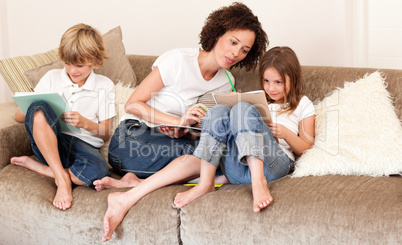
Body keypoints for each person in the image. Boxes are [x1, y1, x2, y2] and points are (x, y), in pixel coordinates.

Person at [97, 2, 268, 242]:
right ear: (217, 33)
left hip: (168, 143)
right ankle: (124, 198)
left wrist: (185, 131)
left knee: (221, 153)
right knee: (213, 157)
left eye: (245, 50)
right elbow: (133, 104)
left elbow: (202, 131)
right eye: (233, 42)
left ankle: (134, 181)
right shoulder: (178, 60)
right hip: (131, 140)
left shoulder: (226, 81)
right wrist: (178, 121)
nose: (236, 53)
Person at [174, 46, 315, 212]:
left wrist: (286, 134)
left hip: (273, 165)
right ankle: (205, 183)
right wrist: (229, 104)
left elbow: (307, 147)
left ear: (294, 79)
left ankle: (259, 183)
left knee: (243, 109)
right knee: (220, 110)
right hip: (238, 169)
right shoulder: (257, 100)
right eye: (266, 81)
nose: (271, 88)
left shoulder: (302, 104)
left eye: (279, 82)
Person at [10, 23, 115, 211]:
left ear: (95, 61)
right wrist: (34, 101)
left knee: (100, 171)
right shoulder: (52, 78)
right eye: (67, 63)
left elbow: (106, 132)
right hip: (51, 143)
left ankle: (42, 168)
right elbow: (19, 116)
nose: (73, 70)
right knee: (38, 108)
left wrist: (86, 123)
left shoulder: (104, 85)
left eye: (79, 65)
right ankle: (61, 179)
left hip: (83, 147)